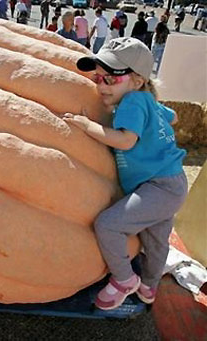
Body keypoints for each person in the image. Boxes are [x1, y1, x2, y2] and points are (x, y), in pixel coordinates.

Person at [63, 37, 187, 311]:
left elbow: (126, 141)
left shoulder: (132, 103)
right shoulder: (146, 101)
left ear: (138, 80)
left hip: (158, 186)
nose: (101, 85)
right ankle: (149, 287)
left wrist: (87, 126)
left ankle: (124, 280)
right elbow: (174, 116)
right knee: (155, 242)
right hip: (172, 182)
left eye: (111, 80)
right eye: (98, 78)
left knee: (108, 224)